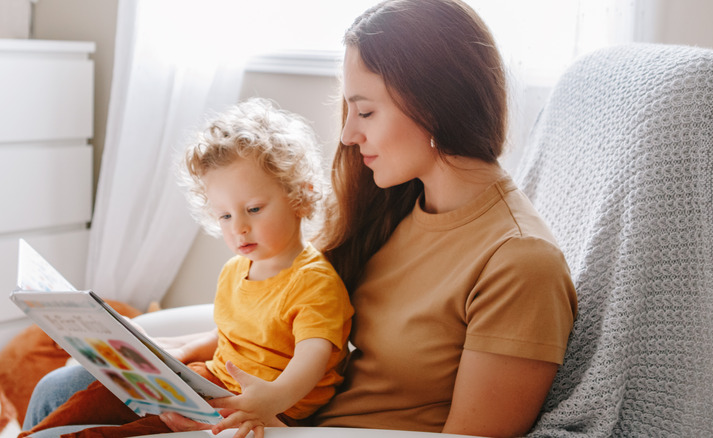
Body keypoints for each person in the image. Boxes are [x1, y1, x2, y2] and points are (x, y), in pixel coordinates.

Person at [24, 1, 577, 437]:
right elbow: (293, 320)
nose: (347, 134)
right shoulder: (401, 204)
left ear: (434, 102)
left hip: (303, 431)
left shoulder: (519, 263)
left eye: (365, 111)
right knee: (60, 386)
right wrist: (170, 354)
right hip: (278, 414)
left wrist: (242, 418)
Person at [19, 98, 354, 438]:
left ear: (300, 195)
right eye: (225, 215)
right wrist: (178, 352)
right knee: (93, 399)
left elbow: (312, 355)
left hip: (261, 411)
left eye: (253, 209)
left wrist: (270, 400)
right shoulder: (236, 270)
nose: (237, 227)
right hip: (209, 386)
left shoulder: (314, 282)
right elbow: (229, 337)